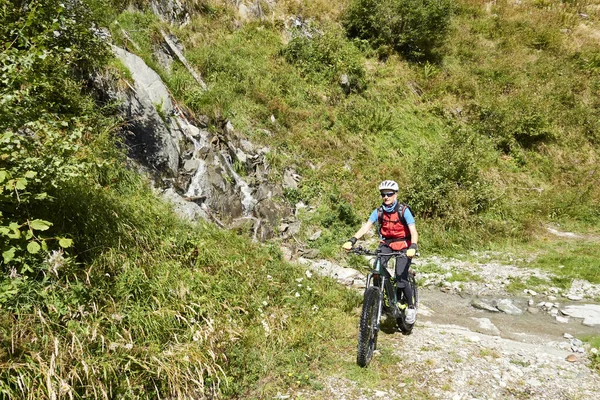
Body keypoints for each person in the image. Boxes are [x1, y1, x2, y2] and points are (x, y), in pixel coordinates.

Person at [342, 180, 419, 324]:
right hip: (387, 243)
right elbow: (366, 227)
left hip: (403, 244)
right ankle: (380, 301)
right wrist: (352, 240)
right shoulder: (379, 211)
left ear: (395, 194)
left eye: (389, 194)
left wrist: (413, 247)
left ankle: (411, 306)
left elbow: (413, 231)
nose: (386, 197)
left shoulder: (403, 210)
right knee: (377, 269)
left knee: (401, 276)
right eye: (383, 194)